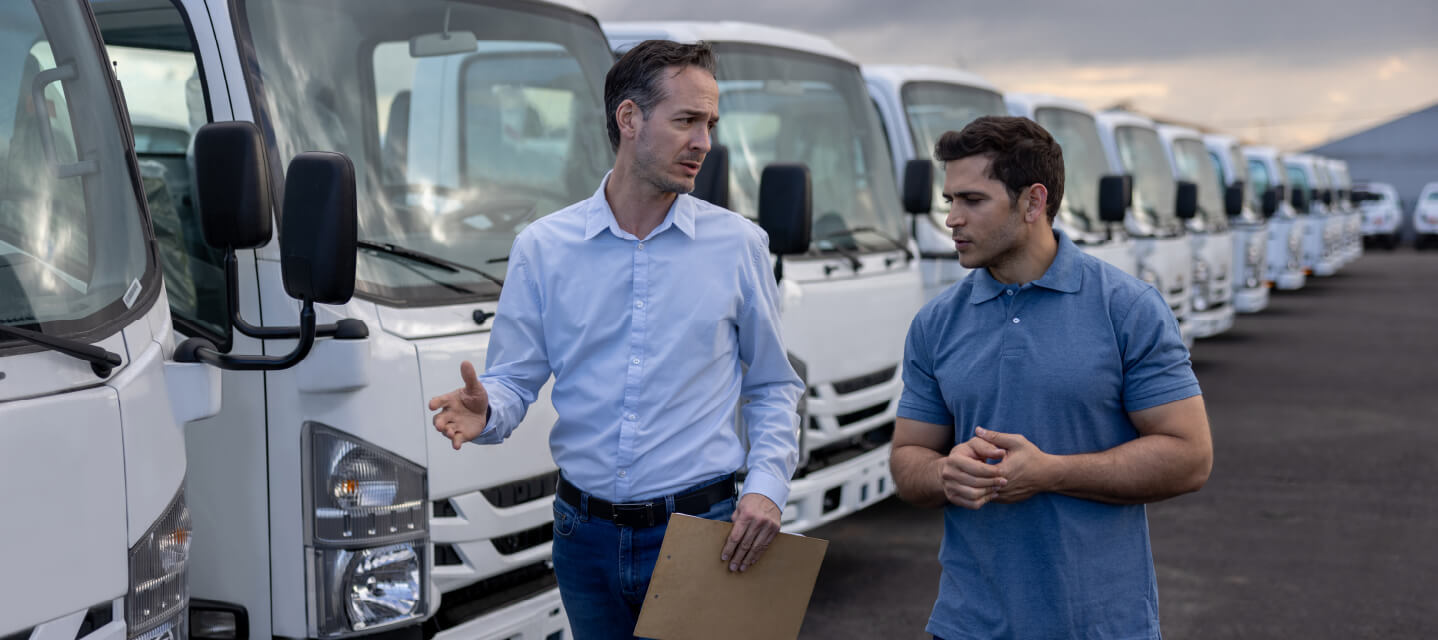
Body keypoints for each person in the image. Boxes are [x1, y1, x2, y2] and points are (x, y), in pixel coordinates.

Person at [427, 40, 803, 638]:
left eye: (709, 123)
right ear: (629, 119)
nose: (704, 141)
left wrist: (766, 489)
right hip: (582, 538)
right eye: (686, 120)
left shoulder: (739, 246)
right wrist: (489, 408)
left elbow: (773, 387)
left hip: (705, 534)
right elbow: (513, 381)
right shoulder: (543, 248)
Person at [889, 116, 1213, 639]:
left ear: (1032, 203)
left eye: (972, 200)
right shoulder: (936, 323)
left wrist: (1050, 472)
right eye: (949, 200)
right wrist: (945, 473)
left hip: (1102, 625)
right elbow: (908, 460)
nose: (951, 219)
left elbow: (1190, 458)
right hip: (968, 624)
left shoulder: (1127, 309)